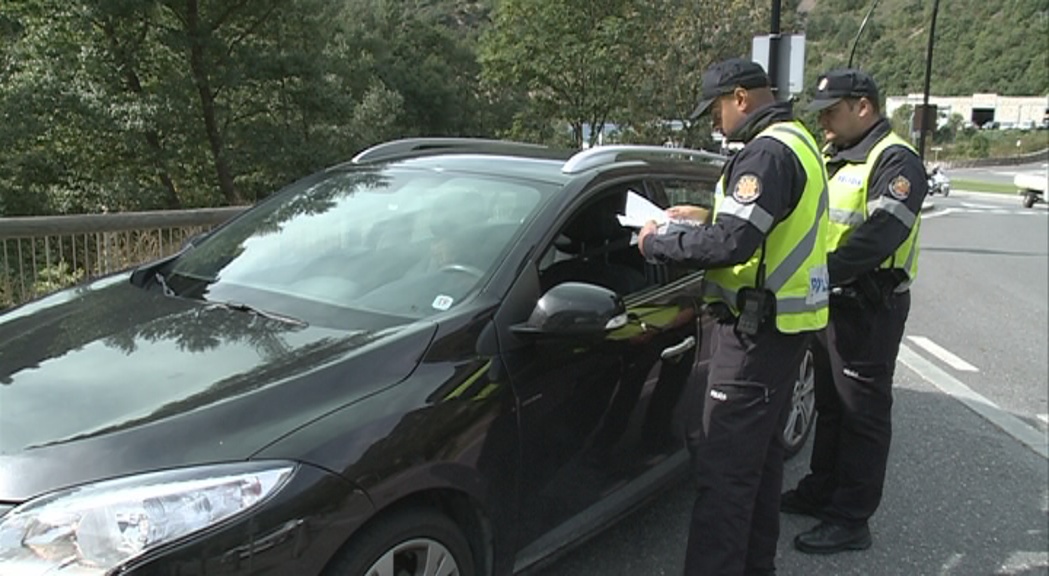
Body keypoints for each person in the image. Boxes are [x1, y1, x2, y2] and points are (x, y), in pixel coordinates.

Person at [638, 57, 830, 576]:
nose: (715, 121)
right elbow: (762, 226)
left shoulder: (764, 154)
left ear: (741, 98)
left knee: (723, 476)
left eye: (717, 109)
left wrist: (660, 242)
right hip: (781, 332)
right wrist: (704, 216)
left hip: (754, 335)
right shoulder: (798, 140)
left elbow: (733, 242)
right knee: (759, 466)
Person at [780, 69, 927, 554]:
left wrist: (816, 273)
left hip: (868, 304)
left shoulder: (896, 160)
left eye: (831, 111)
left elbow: (879, 235)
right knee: (831, 405)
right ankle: (823, 488)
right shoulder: (837, 157)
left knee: (862, 413)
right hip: (831, 300)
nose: (823, 121)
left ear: (864, 107)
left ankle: (850, 518)